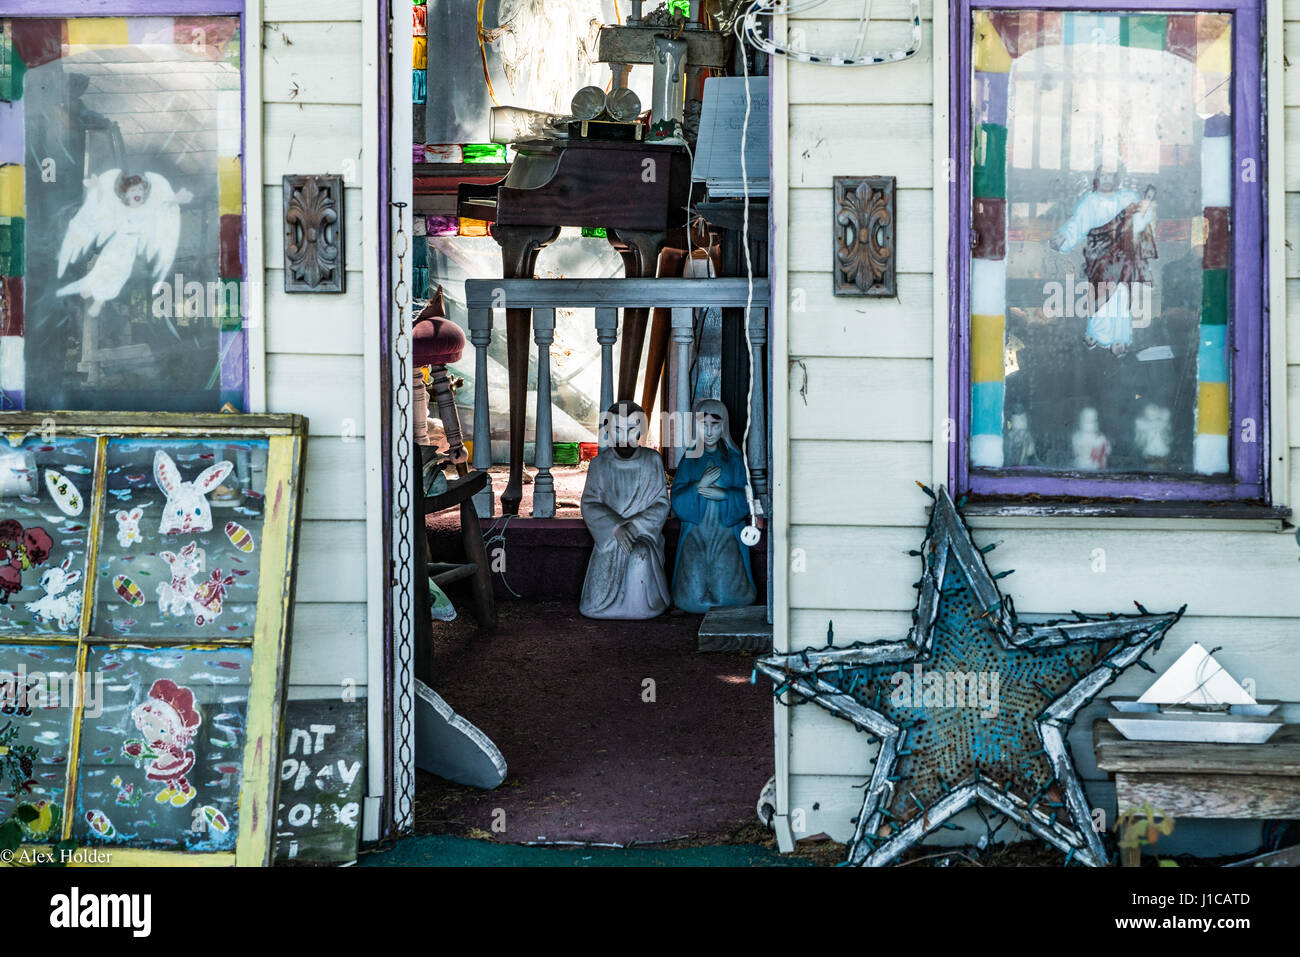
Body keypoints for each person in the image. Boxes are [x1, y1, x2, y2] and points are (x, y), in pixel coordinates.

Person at [1050, 166, 1157, 356]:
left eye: (1110, 176)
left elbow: (1139, 223)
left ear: (1116, 178)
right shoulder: (1090, 201)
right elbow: (1078, 223)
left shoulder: (1127, 198)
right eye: (1103, 175)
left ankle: (1120, 337)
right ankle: (1097, 333)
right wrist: (1063, 238)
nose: (1107, 179)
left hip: (1124, 256)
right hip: (1099, 256)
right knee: (1101, 294)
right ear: (1097, 178)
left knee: (1121, 296)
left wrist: (1146, 204)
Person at [579, 401, 671, 620]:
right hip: (610, 541)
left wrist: (633, 526)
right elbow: (590, 503)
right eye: (618, 429)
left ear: (640, 430)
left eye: (631, 429)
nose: (624, 437)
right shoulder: (599, 465)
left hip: (642, 537)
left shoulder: (652, 461)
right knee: (593, 606)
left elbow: (660, 503)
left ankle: (642, 606)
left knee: (639, 557)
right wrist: (615, 527)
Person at [670, 399, 756, 613]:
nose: (708, 431)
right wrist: (698, 487)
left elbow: (748, 497)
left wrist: (724, 494)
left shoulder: (735, 460)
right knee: (692, 591)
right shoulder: (690, 458)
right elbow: (678, 499)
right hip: (696, 534)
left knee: (726, 587)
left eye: (715, 425)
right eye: (703, 424)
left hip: (725, 533)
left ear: (723, 426)